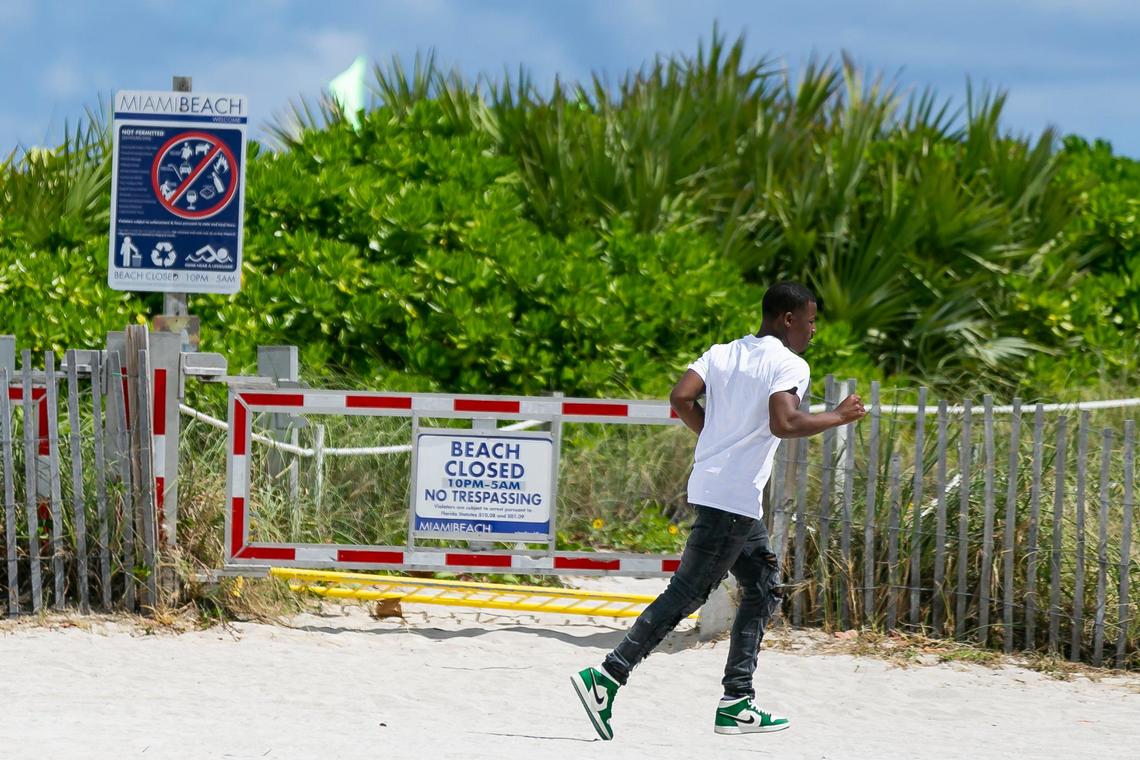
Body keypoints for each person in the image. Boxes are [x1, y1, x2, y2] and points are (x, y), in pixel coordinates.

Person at [571, 282, 866, 740]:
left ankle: (736, 702)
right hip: (732, 500)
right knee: (687, 594)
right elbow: (784, 422)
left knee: (763, 584)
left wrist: (715, 441)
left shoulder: (722, 352)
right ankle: (607, 677)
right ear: (788, 319)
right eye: (810, 321)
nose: (813, 330)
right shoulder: (789, 363)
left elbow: (681, 397)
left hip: (723, 493)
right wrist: (839, 417)